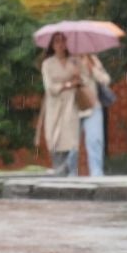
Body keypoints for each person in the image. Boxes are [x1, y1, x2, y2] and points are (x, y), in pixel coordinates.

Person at [39, 35, 86, 177]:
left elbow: (85, 80)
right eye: (56, 41)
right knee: (55, 140)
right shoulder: (47, 64)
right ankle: (59, 173)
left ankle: (70, 174)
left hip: (71, 105)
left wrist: (79, 76)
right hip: (55, 106)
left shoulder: (75, 61)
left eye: (63, 41)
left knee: (71, 140)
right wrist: (68, 84)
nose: (60, 44)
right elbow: (50, 88)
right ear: (52, 45)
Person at [78, 53, 112, 177]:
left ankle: (97, 174)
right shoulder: (66, 60)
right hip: (72, 109)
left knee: (95, 140)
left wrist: (92, 69)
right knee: (70, 147)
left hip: (93, 106)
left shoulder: (92, 58)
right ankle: (69, 175)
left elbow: (106, 79)